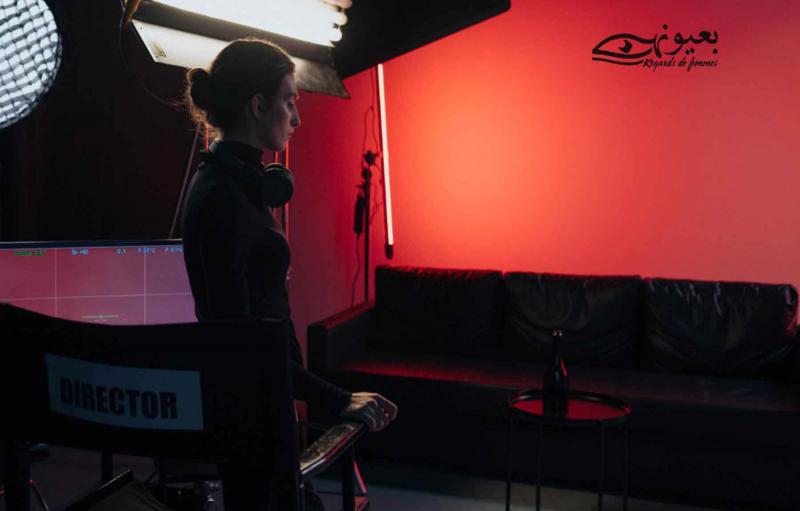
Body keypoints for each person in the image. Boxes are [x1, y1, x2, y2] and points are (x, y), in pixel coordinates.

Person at [180, 38, 397, 509]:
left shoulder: (234, 183)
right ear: (258, 105)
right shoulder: (223, 197)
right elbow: (242, 341)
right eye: (289, 100)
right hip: (252, 418)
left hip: (268, 405)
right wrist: (338, 398)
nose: (297, 117)